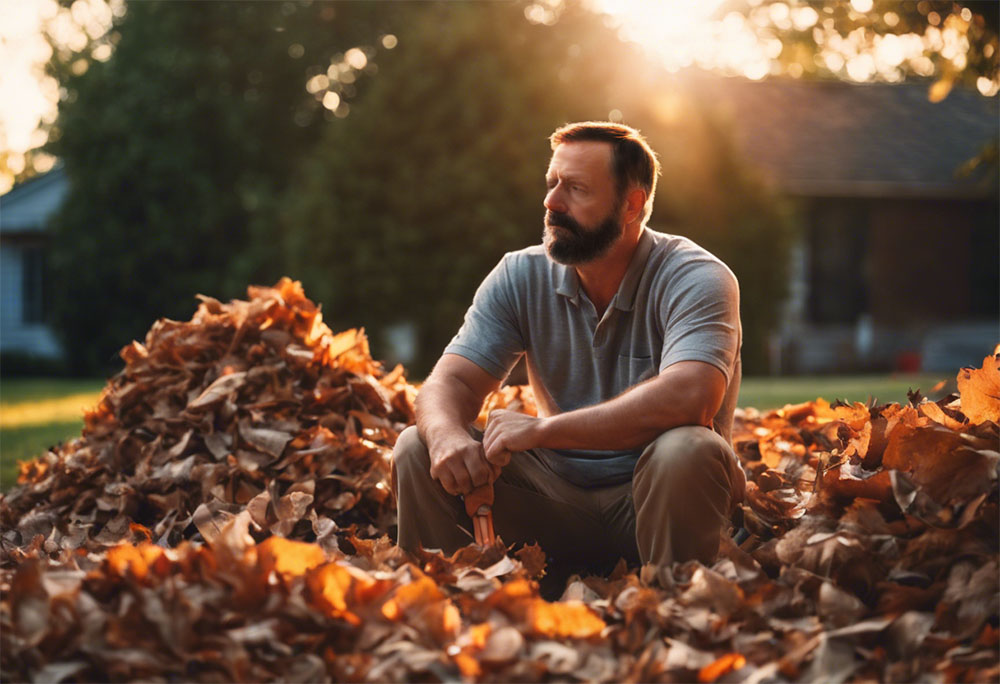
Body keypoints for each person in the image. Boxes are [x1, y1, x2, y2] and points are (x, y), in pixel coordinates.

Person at [392, 121, 746, 575]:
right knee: (415, 448)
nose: (552, 203)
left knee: (688, 448)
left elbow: (690, 397)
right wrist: (447, 438)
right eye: (552, 184)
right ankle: (459, 624)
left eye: (576, 188)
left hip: (656, 500)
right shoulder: (520, 274)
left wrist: (543, 431)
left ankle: (678, 621)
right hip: (553, 503)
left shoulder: (695, 277)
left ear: (631, 206)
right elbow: (451, 381)